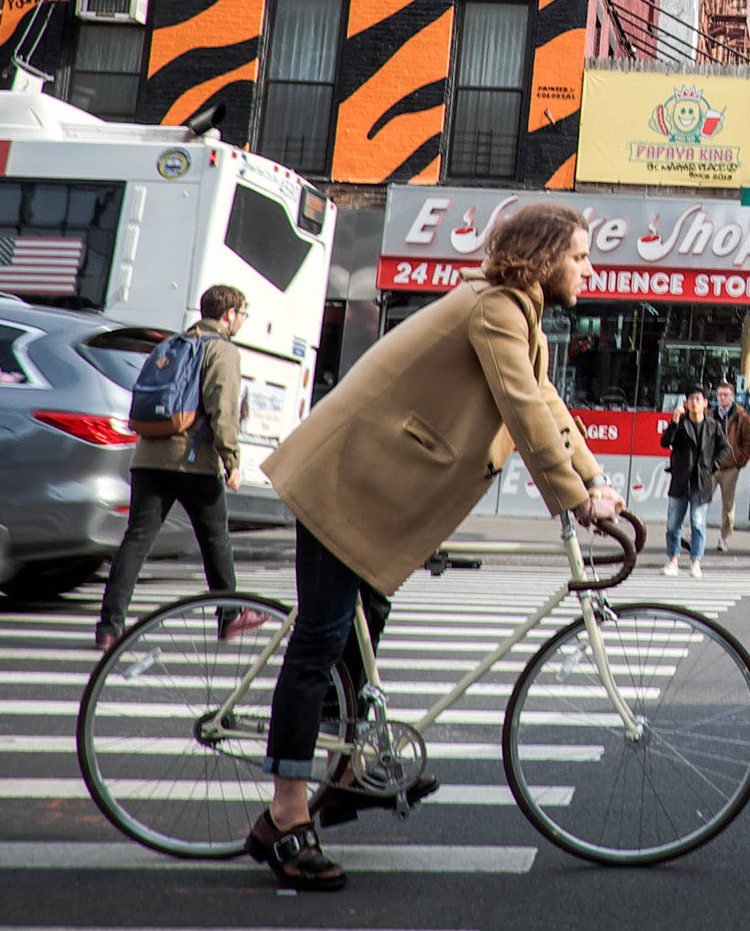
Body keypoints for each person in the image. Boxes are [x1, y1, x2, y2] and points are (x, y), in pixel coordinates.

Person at [248, 203, 624, 892]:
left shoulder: (517, 315)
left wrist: (598, 480)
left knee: (363, 629)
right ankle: (286, 811)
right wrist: (573, 497)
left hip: (373, 494)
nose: (590, 267)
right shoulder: (495, 309)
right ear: (544, 257)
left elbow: (549, 408)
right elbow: (522, 409)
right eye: (581, 254)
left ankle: (346, 765)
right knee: (321, 639)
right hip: (343, 482)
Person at [96, 285, 261, 651]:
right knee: (215, 538)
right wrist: (231, 459)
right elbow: (223, 408)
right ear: (230, 314)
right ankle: (231, 617)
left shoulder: (170, 345)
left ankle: (109, 627)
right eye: (243, 313)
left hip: (148, 459)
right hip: (193, 462)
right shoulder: (222, 350)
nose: (243, 321)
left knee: (136, 540)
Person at [660, 387, 722, 577]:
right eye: (691, 399)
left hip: (700, 482)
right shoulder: (681, 425)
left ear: (705, 403)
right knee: (673, 524)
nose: (694, 403)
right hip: (680, 480)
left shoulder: (713, 426)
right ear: (686, 404)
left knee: (697, 523)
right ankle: (673, 560)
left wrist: (712, 466)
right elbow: (665, 442)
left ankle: (696, 561)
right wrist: (674, 421)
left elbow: (725, 449)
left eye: (698, 399)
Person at [709, 380, 750, 551]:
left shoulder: (741, 415)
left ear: (732, 397)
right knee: (701, 499)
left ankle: (724, 537)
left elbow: (749, 441)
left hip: (730, 467)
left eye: (725, 395)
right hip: (712, 465)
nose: (722, 398)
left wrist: (739, 462)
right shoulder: (711, 414)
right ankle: (695, 534)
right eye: (719, 395)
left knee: (727, 505)